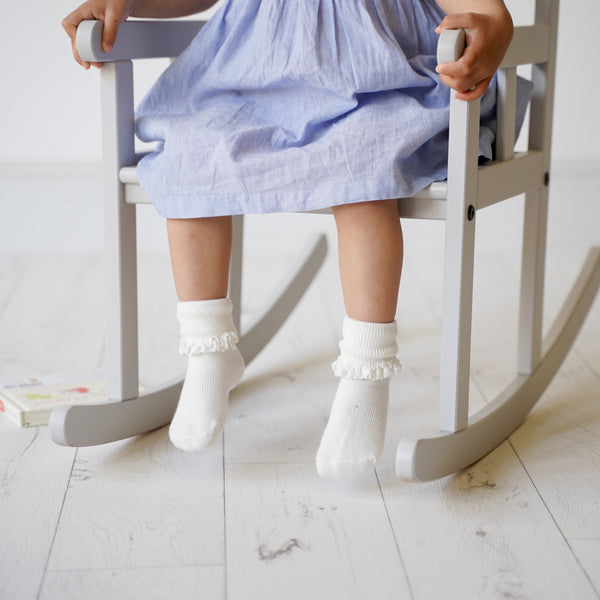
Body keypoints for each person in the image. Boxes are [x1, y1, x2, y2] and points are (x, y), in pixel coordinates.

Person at [63, 0, 516, 478]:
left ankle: (367, 369)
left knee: (362, 164)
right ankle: (208, 347)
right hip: (251, 85)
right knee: (193, 156)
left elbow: (478, 9)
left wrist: (495, 25)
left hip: (377, 84)